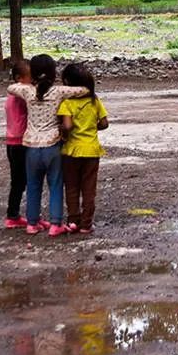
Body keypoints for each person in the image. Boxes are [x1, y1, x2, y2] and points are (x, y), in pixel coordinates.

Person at [7, 54, 90, 236]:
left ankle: (31, 223)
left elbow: (10, 88)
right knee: (55, 185)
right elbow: (83, 90)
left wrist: (28, 85)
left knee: (33, 186)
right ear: (53, 72)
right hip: (52, 145)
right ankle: (55, 224)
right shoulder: (59, 91)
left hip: (31, 147)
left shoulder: (28, 91)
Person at [58, 64, 109, 234]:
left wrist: (63, 132)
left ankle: (73, 220)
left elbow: (67, 126)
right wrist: (91, 128)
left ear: (67, 83)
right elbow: (104, 123)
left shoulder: (67, 103)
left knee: (71, 187)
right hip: (92, 151)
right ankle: (87, 223)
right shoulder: (95, 100)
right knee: (89, 189)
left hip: (71, 151)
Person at [2, 59, 31, 229]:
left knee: (17, 181)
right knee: (23, 180)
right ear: (19, 78)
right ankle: (13, 215)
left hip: (11, 141)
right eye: (31, 78)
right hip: (21, 142)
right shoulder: (21, 94)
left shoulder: (11, 96)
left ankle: (13, 214)